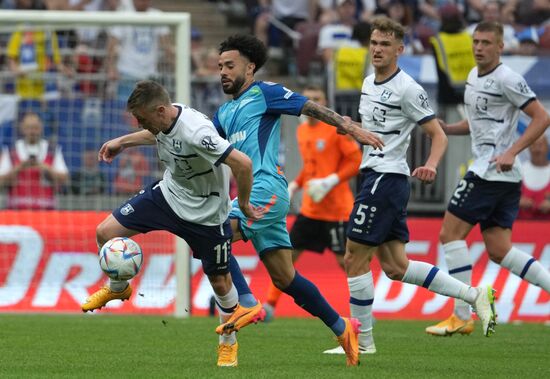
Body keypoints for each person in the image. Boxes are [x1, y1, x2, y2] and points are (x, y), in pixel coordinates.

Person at [324, 17, 498, 356]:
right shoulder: (368, 82)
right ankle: (473, 295)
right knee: (396, 267)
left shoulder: (408, 88)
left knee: (353, 257)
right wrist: (350, 126)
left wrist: (430, 165)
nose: (377, 49)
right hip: (373, 176)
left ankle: (361, 341)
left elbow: (438, 134)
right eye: (374, 43)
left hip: (386, 179)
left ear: (400, 50)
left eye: (385, 44)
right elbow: (376, 128)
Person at [213, 34, 384, 367]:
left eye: (229, 65)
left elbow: (312, 107)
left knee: (212, 237)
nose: (222, 71)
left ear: (249, 68)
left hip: (263, 190)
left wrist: (349, 127)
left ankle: (246, 301)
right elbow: (195, 137)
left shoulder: (265, 93)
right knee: (284, 278)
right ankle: (343, 328)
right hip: (268, 195)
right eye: (220, 65)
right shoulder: (223, 113)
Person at [80, 82, 266, 366]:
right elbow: (156, 133)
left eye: (142, 119)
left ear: (160, 110)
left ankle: (228, 342)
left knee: (220, 282)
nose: (141, 123)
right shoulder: (163, 120)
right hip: (169, 195)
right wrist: (123, 141)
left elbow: (242, 163)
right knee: (105, 232)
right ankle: (119, 287)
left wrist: (241, 204)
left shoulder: (198, 132)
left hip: (207, 213)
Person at [425, 21, 550, 337]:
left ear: (500, 46)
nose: (479, 47)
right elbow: (478, 122)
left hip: (491, 171)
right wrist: (448, 128)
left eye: (486, 42)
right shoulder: (472, 76)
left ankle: (462, 313)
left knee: (449, 235)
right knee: (499, 250)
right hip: (499, 176)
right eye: (476, 41)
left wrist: (513, 152)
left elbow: (542, 116)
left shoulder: (508, 78)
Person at [262, 85, 362, 321]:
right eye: (310, 99)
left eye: (318, 98)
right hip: (310, 209)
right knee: (286, 258)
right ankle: (270, 306)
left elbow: (355, 160)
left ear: (324, 102)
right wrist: (296, 184)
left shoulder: (336, 129)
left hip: (337, 209)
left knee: (346, 261)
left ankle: (362, 308)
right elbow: (311, 167)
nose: (313, 103)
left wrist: (332, 180)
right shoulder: (303, 131)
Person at [0, 112, 69, 209]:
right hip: (16, 210)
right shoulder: (11, 150)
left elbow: (64, 178)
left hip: (46, 210)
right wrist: (20, 167)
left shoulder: (52, 150)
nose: (32, 131)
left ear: (41, 128)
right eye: (28, 128)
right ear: (22, 128)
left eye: (35, 128)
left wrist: (45, 167)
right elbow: (1, 180)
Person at [518, 135, 550, 220]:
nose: (537, 149)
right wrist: (518, 201)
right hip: (522, 227)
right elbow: (506, 198)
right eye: (534, 145)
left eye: (540, 145)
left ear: (547, 148)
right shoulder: (519, 170)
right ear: (528, 148)